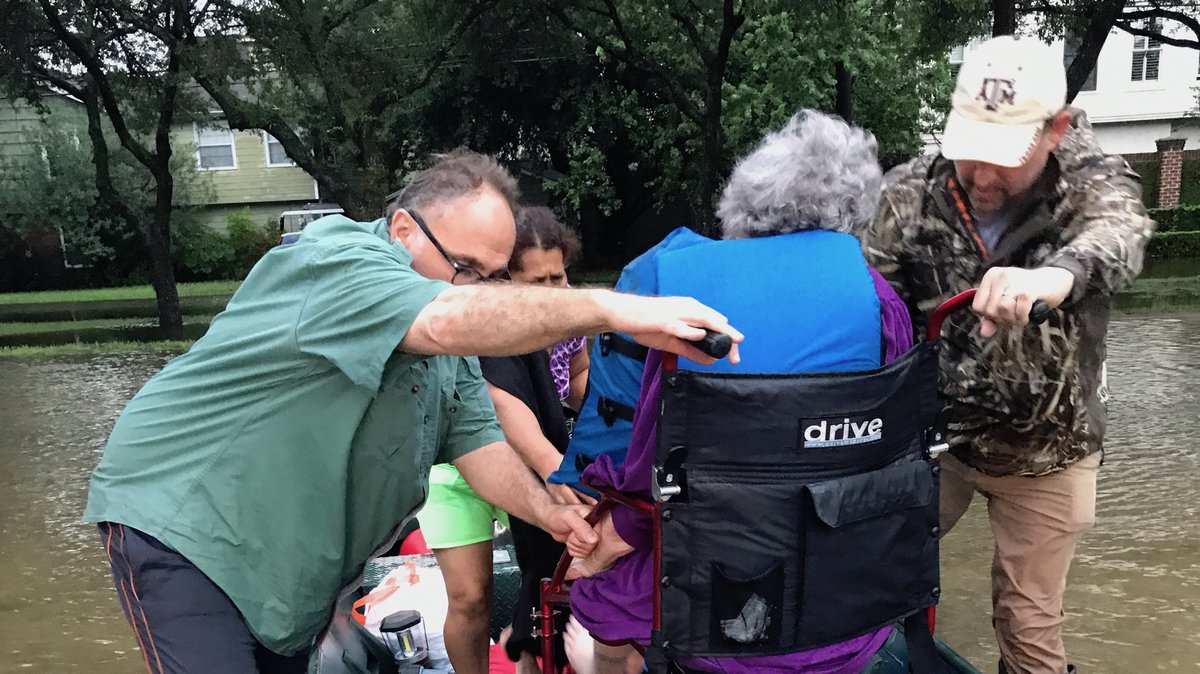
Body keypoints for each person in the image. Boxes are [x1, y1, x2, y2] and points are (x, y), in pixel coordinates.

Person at [82, 149, 742, 674]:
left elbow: (480, 443)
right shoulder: (337, 261)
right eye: (464, 267)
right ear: (403, 230)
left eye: (491, 275)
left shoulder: (443, 338)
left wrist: (551, 512)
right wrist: (615, 309)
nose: (477, 289)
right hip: (184, 530)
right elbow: (450, 318)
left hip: (285, 570)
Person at [566, 110, 917, 674]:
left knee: (595, 613)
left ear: (747, 204)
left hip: (709, 611)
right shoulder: (880, 302)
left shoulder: (692, 302)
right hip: (844, 609)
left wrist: (620, 528)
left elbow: (657, 455)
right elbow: (892, 446)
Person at [854, 36, 1154, 674]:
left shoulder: (1092, 182)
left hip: (1049, 451)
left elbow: (1120, 235)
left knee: (1028, 624)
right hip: (933, 443)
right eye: (973, 151)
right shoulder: (908, 192)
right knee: (861, 579)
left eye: (1005, 158)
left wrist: (1053, 279)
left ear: (1056, 129)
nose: (984, 177)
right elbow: (865, 307)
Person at [418, 206, 591, 674]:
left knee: (545, 581)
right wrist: (556, 468)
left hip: (537, 459)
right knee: (471, 598)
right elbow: (499, 404)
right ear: (502, 279)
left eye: (559, 276)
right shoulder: (482, 319)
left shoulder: (570, 312)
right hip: (465, 464)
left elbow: (579, 378)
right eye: (538, 283)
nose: (554, 292)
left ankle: (527, 658)